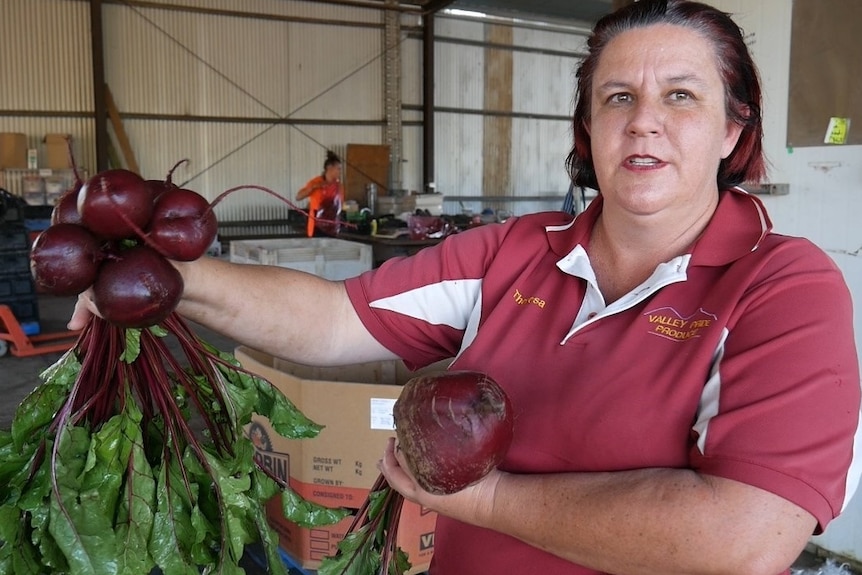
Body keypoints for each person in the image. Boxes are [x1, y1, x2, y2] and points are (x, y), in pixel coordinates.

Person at [71, 1, 861, 573]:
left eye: (680, 96)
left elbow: (743, 538)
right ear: (586, 131)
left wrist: (484, 502)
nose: (644, 122)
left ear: (732, 130)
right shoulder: (512, 254)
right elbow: (330, 318)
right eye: (617, 98)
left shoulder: (783, 286)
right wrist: (175, 277)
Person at [296, 149, 344, 237]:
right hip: (316, 227)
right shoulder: (316, 182)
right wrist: (313, 187)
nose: (340, 172)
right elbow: (298, 197)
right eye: (338, 169)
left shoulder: (339, 186)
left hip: (333, 226)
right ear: (330, 168)